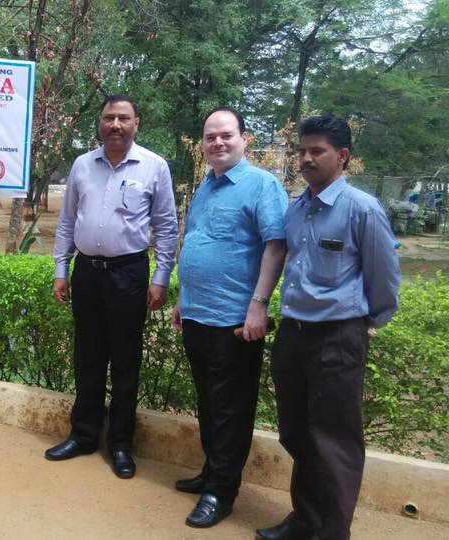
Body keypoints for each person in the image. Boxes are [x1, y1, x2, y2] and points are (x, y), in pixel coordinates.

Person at [255, 116, 400, 540]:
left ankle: (332, 532)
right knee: (297, 433)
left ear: (343, 156)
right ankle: (305, 520)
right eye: (302, 150)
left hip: (337, 338)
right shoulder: (297, 209)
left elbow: (385, 279)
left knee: (334, 441)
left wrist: (362, 324)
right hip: (294, 334)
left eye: (316, 151)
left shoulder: (362, 209)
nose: (306, 158)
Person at [46, 94, 178, 478]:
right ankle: (83, 435)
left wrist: (160, 278)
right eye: (108, 118)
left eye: (123, 118)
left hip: (128, 274)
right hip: (86, 272)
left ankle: (120, 444)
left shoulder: (154, 166)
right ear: (100, 123)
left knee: (125, 360)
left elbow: (166, 227)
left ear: (136, 123)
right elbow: (67, 221)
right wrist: (60, 269)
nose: (115, 125)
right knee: (87, 356)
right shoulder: (82, 164)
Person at [170, 107, 288, 527]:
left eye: (226, 135)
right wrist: (184, 298)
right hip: (197, 315)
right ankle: (211, 472)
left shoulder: (262, 185)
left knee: (230, 410)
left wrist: (259, 304)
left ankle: (221, 492)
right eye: (210, 137)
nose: (217, 143)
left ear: (243, 139)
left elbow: (276, 245)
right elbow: (197, 241)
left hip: (235, 322)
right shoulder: (206, 185)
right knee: (208, 402)